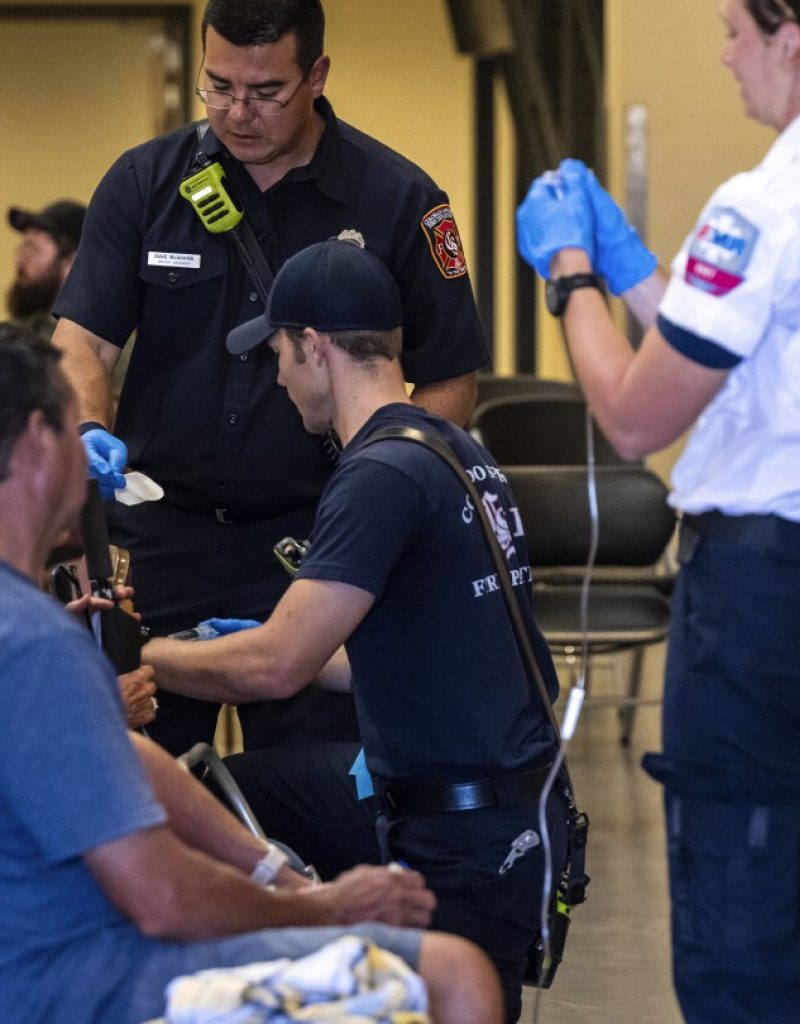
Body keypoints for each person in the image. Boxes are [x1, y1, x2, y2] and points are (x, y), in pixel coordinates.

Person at [516, 1, 800, 1022]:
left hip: (769, 613)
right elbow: (754, 358)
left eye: (732, 30)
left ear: (790, 36)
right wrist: (634, 271)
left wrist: (572, 275)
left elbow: (632, 414)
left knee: (747, 953)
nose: (723, 53)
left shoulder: (766, 204)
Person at [0, 324, 501, 1024]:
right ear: (36, 441)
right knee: (454, 973)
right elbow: (163, 897)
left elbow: (131, 763)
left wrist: (277, 876)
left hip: (57, 957)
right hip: (82, 983)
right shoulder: (36, 642)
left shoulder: (31, 632)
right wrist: (319, 909)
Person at [140, 238, 571, 1023]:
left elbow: (275, 666)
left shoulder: (376, 475)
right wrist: (257, 649)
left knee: (194, 799)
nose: (274, 376)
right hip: (514, 803)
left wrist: (152, 660)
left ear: (312, 346)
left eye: (277, 352)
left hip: (462, 836)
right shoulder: (452, 448)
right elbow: (399, 649)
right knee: (230, 793)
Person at [51, 0, 491, 755]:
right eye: (217, 86)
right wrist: (88, 429)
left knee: (316, 795)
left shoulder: (396, 200)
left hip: (316, 541)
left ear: (316, 76)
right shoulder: (145, 184)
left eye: (265, 92)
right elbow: (79, 342)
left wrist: (376, 493)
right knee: (138, 782)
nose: (237, 112)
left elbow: (449, 379)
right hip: (160, 538)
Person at [6, 199, 86, 341]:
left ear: (71, 263)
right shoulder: (19, 330)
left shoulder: (95, 341)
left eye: (33, 250)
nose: (20, 261)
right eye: (22, 250)